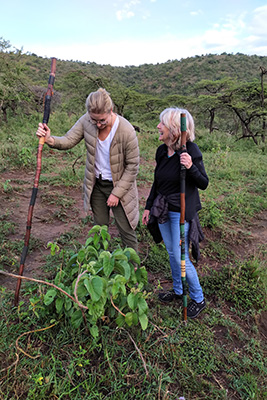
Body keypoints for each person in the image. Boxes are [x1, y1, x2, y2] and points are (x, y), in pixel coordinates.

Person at [36, 88, 139, 252]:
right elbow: (69, 140)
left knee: (126, 230)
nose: (98, 124)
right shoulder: (86, 121)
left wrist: (116, 193)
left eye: (102, 120)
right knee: (99, 229)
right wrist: (50, 139)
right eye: (94, 120)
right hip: (97, 185)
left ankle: (133, 270)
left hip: (120, 187)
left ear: (110, 111)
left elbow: (133, 166)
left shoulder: (126, 130)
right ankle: (99, 267)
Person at [142, 107, 209, 319]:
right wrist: (148, 206)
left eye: (162, 124)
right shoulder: (162, 151)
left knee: (182, 257)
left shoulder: (190, 150)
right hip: (163, 210)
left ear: (174, 129)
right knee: (171, 252)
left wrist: (190, 167)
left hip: (180, 213)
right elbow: (157, 182)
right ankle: (179, 291)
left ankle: (198, 298)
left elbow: (203, 183)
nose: (158, 127)